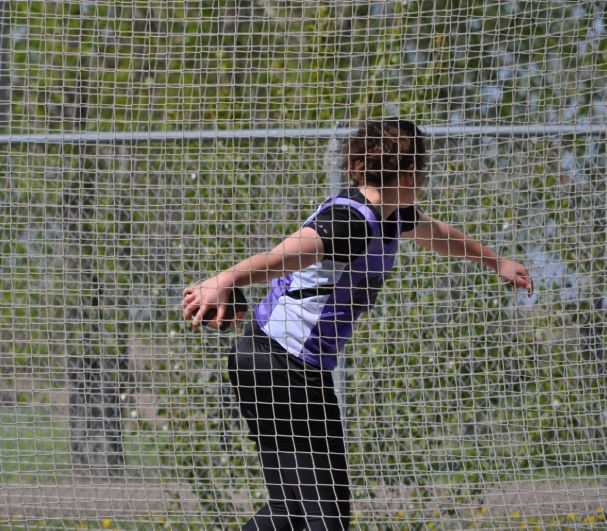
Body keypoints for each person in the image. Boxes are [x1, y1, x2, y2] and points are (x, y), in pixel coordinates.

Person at [181, 119, 533, 530]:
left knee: (299, 513)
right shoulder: (351, 222)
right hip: (277, 365)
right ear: (407, 173)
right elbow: (290, 253)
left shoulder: (391, 215)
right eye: (422, 169)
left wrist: (496, 262)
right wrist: (226, 279)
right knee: (319, 520)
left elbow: (437, 234)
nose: (424, 177)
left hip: (288, 366)